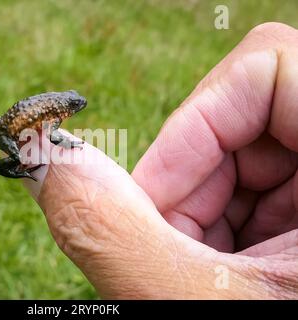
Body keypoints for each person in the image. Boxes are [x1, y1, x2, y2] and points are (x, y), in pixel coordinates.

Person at [24, 23, 298, 299]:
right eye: (73, 106)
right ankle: (28, 162)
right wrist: (61, 147)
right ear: (62, 108)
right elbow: (52, 136)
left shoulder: (52, 111)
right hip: (20, 131)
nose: (77, 107)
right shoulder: (51, 117)